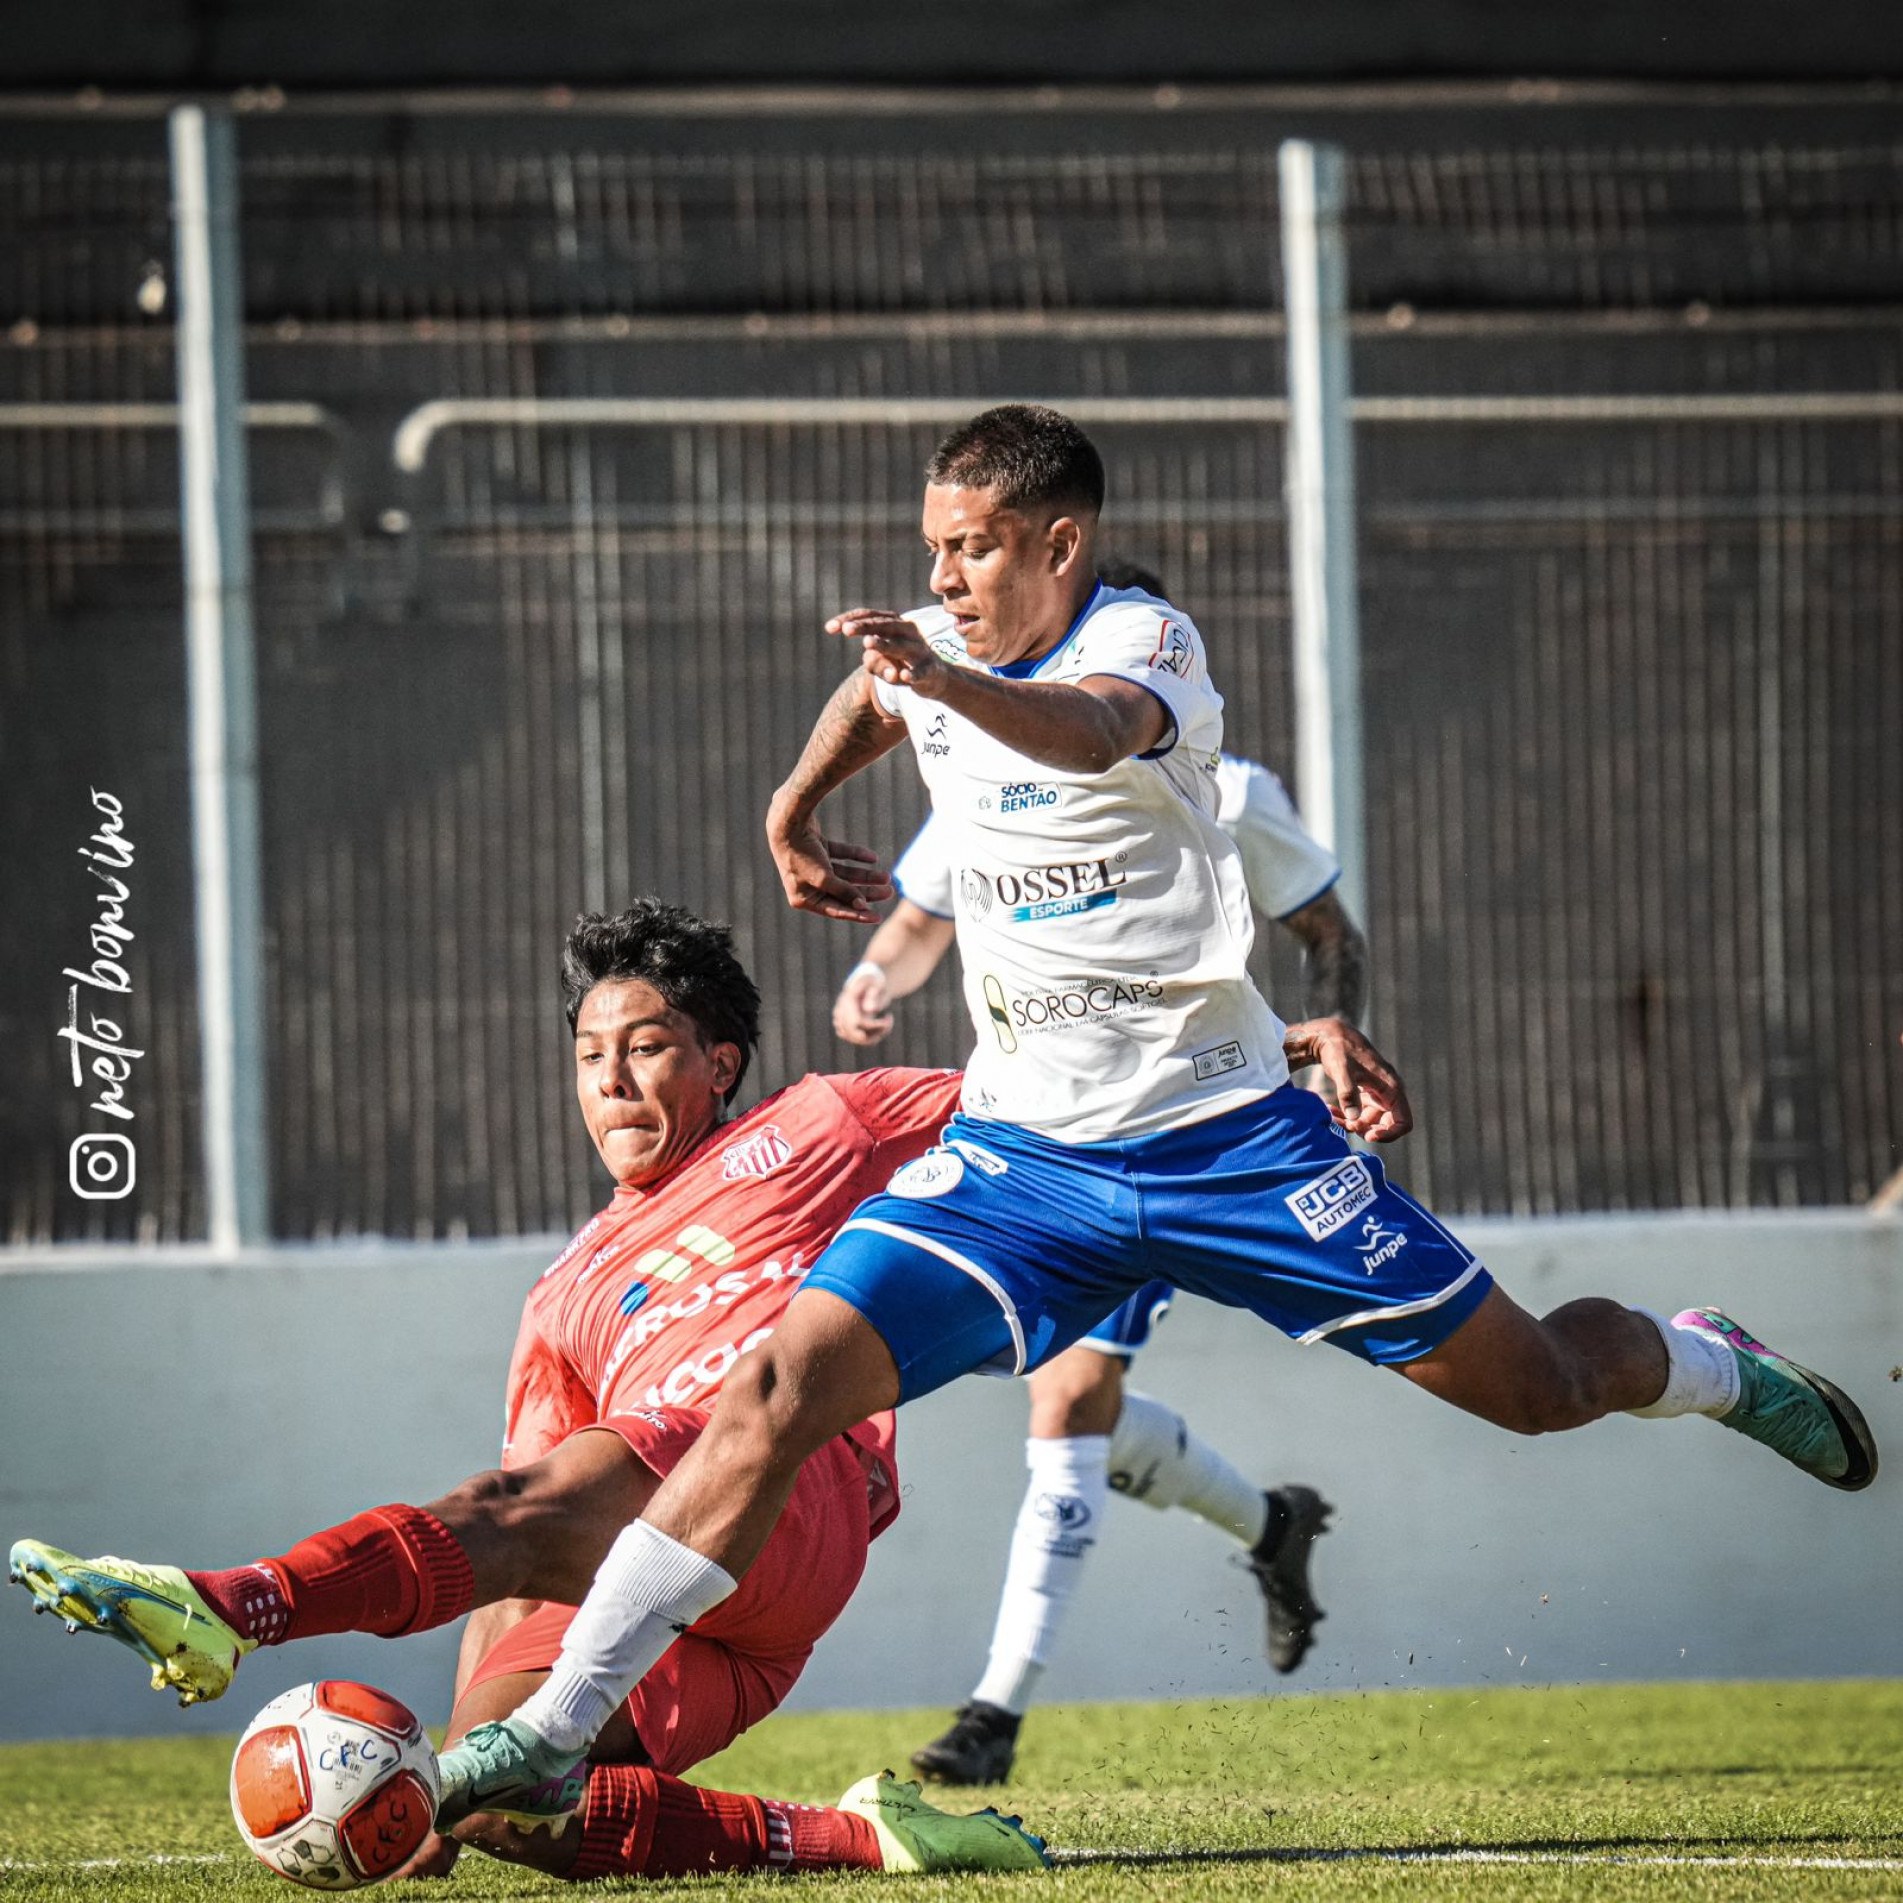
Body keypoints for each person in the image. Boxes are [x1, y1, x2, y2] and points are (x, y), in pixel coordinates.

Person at [426, 403, 1877, 1827]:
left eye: (975, 549)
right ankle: (555, 1731)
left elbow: (1080, 733)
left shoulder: (1141, 647)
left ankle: (1703, 1362)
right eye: (931, 548)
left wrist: (940, 676)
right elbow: (878, 691)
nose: (943, 577)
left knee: (1538, 1388)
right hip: (1016, 1165)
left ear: (1059, 543)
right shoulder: (944, 655)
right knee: (768, 1394)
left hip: (1230, 1148)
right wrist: (791, 809)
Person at [10, 901, 1047, 1880]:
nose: (613, 1081)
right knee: (505, 1792)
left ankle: (232, 1603)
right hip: (685, 1597)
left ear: (719, 1061)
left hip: (791, 1495)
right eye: (591, 1057)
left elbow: (1035, 1100)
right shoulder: (567, 1292)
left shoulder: (820, 1125)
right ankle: (862, 1837)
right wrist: (442, 1782)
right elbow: (516, 1554)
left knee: (648, 1444)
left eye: (645, 1047)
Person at [838, 630, 1369, 1781]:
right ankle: (1272, 1525)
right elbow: (926, 910)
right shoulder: (993, 752)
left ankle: (994, 1717)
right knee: (1073, 1410)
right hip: (1037, 1140)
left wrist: (1330, 1050)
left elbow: (1328, 933)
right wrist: (877, 970)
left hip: (1189, 1137)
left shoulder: (1230, 788)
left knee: (1070, 1399)